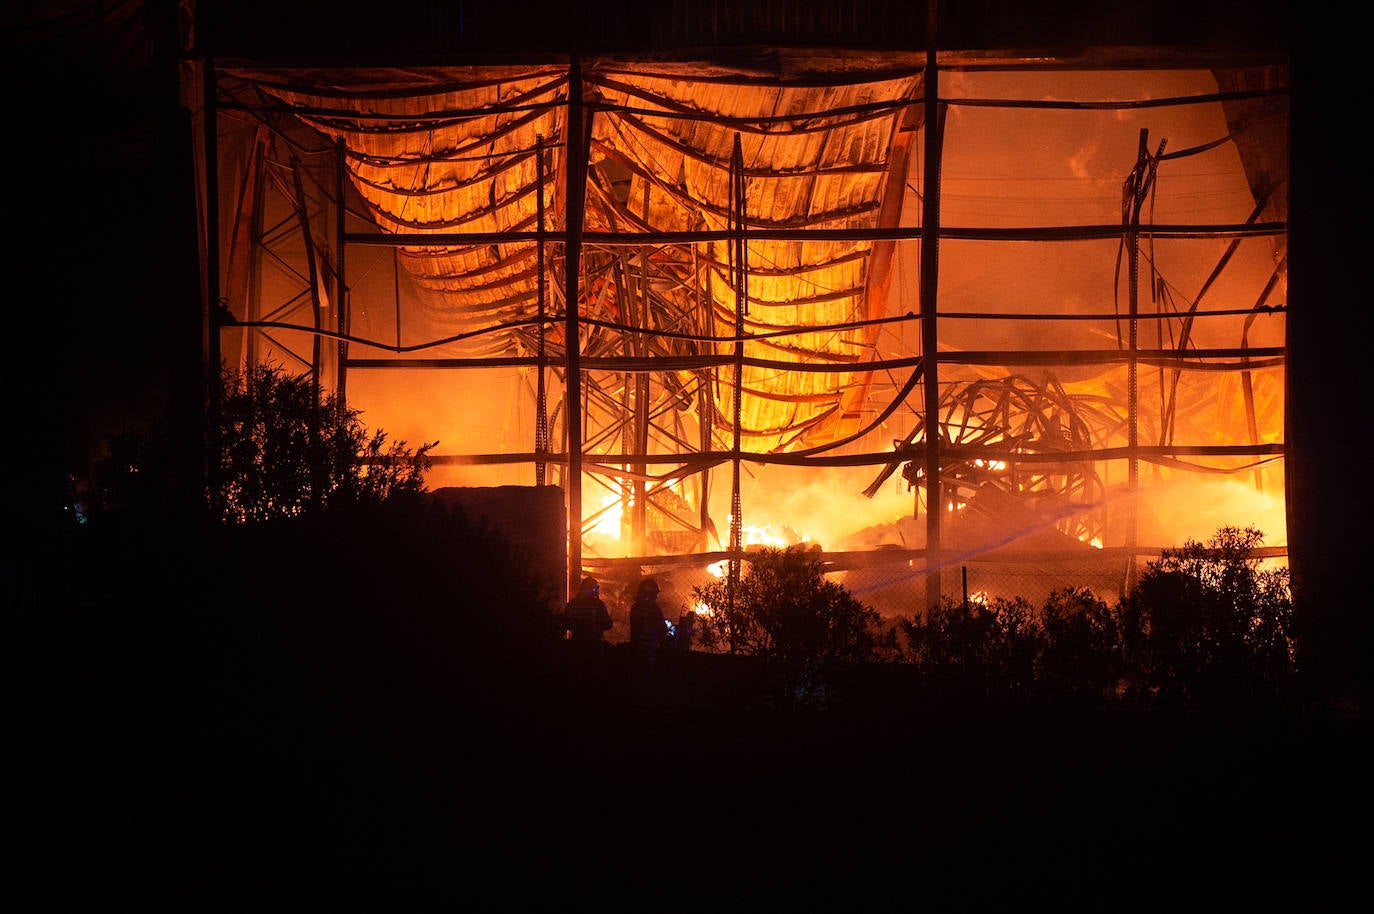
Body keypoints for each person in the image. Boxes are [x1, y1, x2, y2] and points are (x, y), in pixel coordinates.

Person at [629, 576, 672, 698]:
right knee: (647, 676)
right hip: (648, 648)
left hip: (636, 646)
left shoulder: (635, 607)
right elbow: (662, 629)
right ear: (652, 593)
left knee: (636, 675)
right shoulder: (654, 608)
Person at [563, 575, 612, 659]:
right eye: (595, 589)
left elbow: (565, 624)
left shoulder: (572, 604)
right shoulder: (597, 604)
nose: (597, 591)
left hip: (575, 647)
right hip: (593, 647)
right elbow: (608, 624)